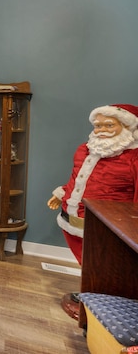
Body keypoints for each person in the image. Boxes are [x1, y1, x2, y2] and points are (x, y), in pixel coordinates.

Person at [47, 103, 138, 318]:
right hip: (71, 217)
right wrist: (60, 193)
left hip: (107, 223)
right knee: (86, 262)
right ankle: (91, 294)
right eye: (97, 126)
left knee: (106, 266)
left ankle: (101, 303)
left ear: (127, 126)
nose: (101, 130)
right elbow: (77, 179)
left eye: (108, 124)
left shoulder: (133, 158)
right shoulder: (85, 149)